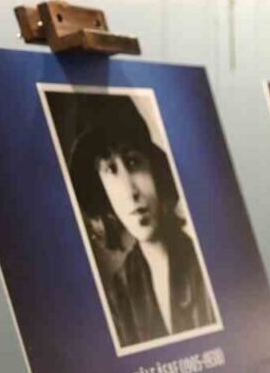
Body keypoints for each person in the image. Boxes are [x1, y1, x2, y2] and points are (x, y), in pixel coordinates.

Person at [68, 96, 216, 348]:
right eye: (111, 170)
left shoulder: (207, 262)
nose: (129, 191)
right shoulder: (119, 294)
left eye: (133, 162)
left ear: (155, 171)